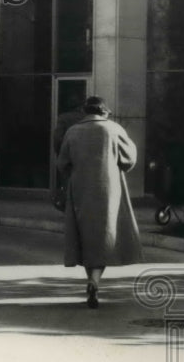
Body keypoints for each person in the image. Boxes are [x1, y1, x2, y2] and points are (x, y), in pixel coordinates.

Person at [56, 96, 143, 308]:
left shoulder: (73, 131)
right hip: (109, 189)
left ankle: (91, 280)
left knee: (85, 235)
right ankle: (94, 281)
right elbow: (129, 159)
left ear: (86, 111)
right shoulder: (113, 129)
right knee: (104, 236)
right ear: (104, 111)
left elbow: (62, 163)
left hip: (80, 188)